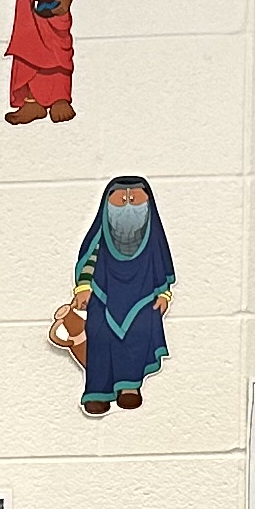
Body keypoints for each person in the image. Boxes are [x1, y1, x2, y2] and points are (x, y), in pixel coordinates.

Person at [58, 175, 174, 417]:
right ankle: (97, 393)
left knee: (136, 339)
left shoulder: (152, 239)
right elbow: (89, 259)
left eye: (135, 199)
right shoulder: (102, 235)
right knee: (101, 339)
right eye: (122, 200)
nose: (129, 205)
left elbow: (160, 265)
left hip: (142, 298)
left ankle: (129, 387)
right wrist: (84, 287)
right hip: (103, 294)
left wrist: (164, 294)